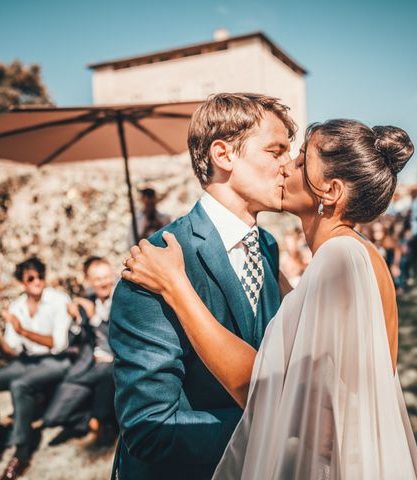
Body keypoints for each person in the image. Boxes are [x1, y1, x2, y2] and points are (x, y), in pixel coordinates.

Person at [123, 119, 417, 479]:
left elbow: (263, 388)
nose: (286, 168)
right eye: (279, 153)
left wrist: (176, 286)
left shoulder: (338, 260)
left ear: (330, 191)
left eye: (298, 161)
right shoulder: (360, 256)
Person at [109, 93, 296, 479]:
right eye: (276, 151)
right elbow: (150, 429)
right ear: (223, 155)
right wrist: (286, 431)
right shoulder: (156, 262)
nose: (288, 166)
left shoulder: (268, 246)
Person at [0, 257, 72, 480]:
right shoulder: (16, 306)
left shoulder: (58, 300)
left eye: (40, 276)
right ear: (22, 282)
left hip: (57, 361)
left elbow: (59, 343)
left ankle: (22, 452)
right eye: (31, 278)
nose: (37, 281)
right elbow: (12, 351)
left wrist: (23, 331)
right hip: (27, 361)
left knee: (20, 385)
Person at [43, 256, 117, 446]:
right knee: (52, 418)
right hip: (86, 366)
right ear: (89, 282)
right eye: (99, 279)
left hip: (112, 362)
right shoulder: (87, 302)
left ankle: (103, 420)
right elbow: (73, 341)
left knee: (105, 372)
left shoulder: (122, 299)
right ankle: (90, 419)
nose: (105, 282)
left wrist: (94, 319)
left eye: (107, 277)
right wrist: (75, 320)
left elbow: (119, 339)